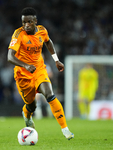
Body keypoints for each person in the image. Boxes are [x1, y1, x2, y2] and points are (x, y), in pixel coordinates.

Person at [7, 7, 74, 140]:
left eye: (29, 22)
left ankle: (65, 129)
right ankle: (26, 115)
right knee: (32, 105)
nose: (26, 25)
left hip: (39, 70)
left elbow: (48, 42)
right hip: (23, 76)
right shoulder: (18, 34)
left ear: (35, 21)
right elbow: (9, 56)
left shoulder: (42, 31)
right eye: (24, 22)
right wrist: (26, 65)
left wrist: (56, 60)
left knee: (49, 94)